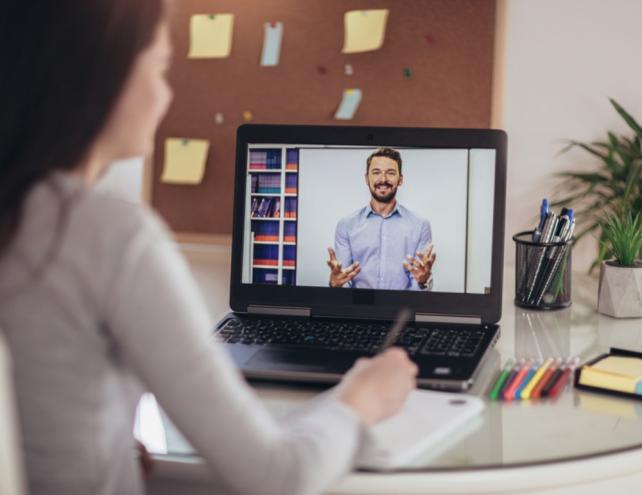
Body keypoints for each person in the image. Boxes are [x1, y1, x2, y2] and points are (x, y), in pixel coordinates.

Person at [0, 3, 418, 495]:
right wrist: (361, 398)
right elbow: (279, 477)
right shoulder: (108, 234)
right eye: (159, 68)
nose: (166, 93)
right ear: (102, 76)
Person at [326, 148, 437, 290]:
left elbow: (418, 284)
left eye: (390, 173)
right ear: (367, 179)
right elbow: (343, 279)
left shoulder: (420, 225)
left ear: (400, 179)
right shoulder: (346, 225)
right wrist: (335, 284)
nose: (383, 179)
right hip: (358, 309)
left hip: (403, 309)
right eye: (376, 172)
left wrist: (423, 281)